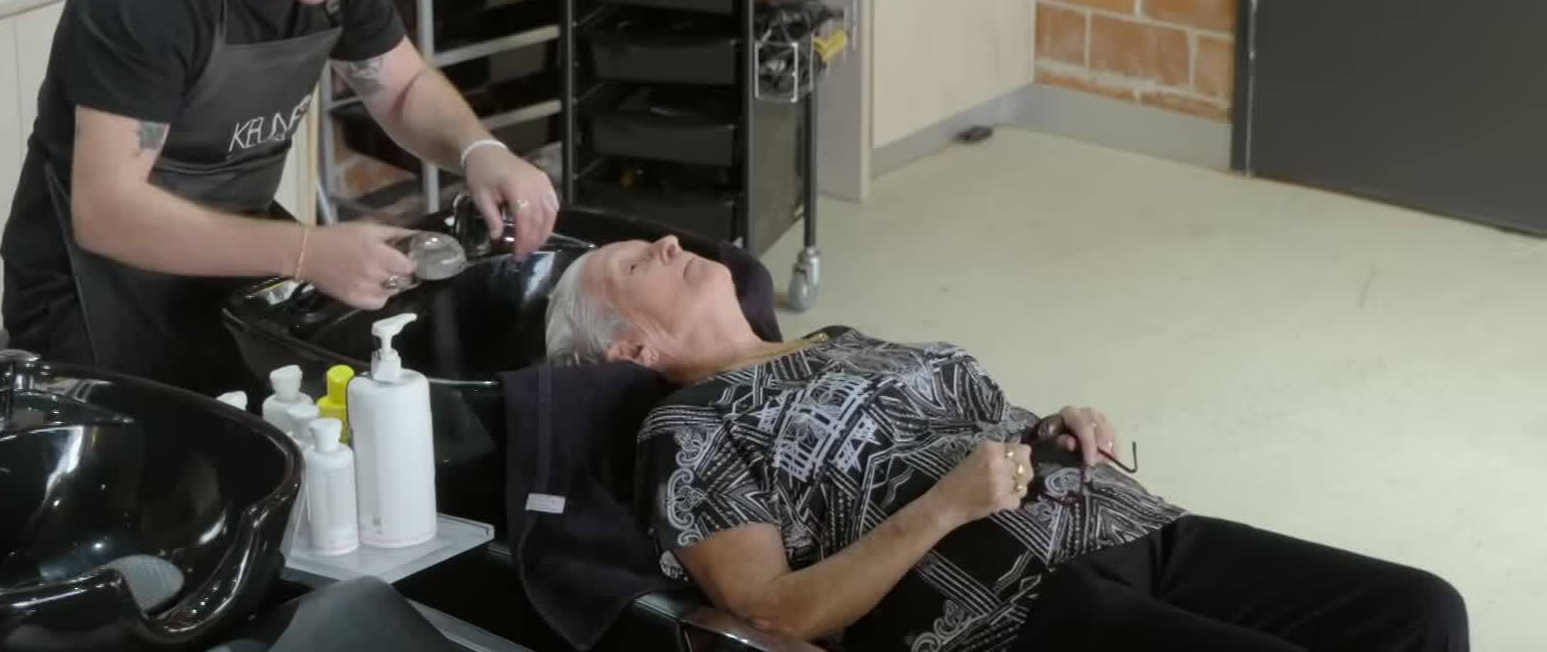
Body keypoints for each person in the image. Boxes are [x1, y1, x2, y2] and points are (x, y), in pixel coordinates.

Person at [543, 236, 1469, 652]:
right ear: (632, 349)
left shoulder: (841, 340)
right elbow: (778, 614)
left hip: (1130, 524)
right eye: (636, 263)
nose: (670, 243)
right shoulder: (688, 431)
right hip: (1020, 607)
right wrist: (944, 507)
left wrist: (1055, 430)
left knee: (1421, 613)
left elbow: (980, 431)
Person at [0, 0, 558, 396]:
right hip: (92, 295)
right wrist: (306, 252)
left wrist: (479, 150)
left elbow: (400, 89)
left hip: (229, 266)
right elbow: (108, 213)